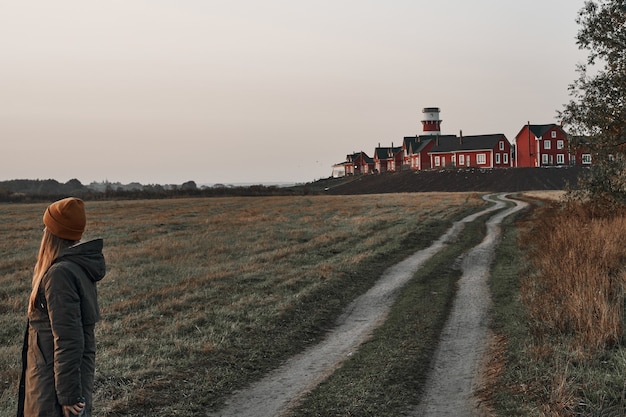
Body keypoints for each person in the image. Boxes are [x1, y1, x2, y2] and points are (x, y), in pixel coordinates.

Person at [17, 197, 106, 417]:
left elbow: (69, 338)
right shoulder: (72, 267)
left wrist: (68, 396)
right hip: (54, 378)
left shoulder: (60, 274)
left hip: (53, 387)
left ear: (52, 234)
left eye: (46, 227)